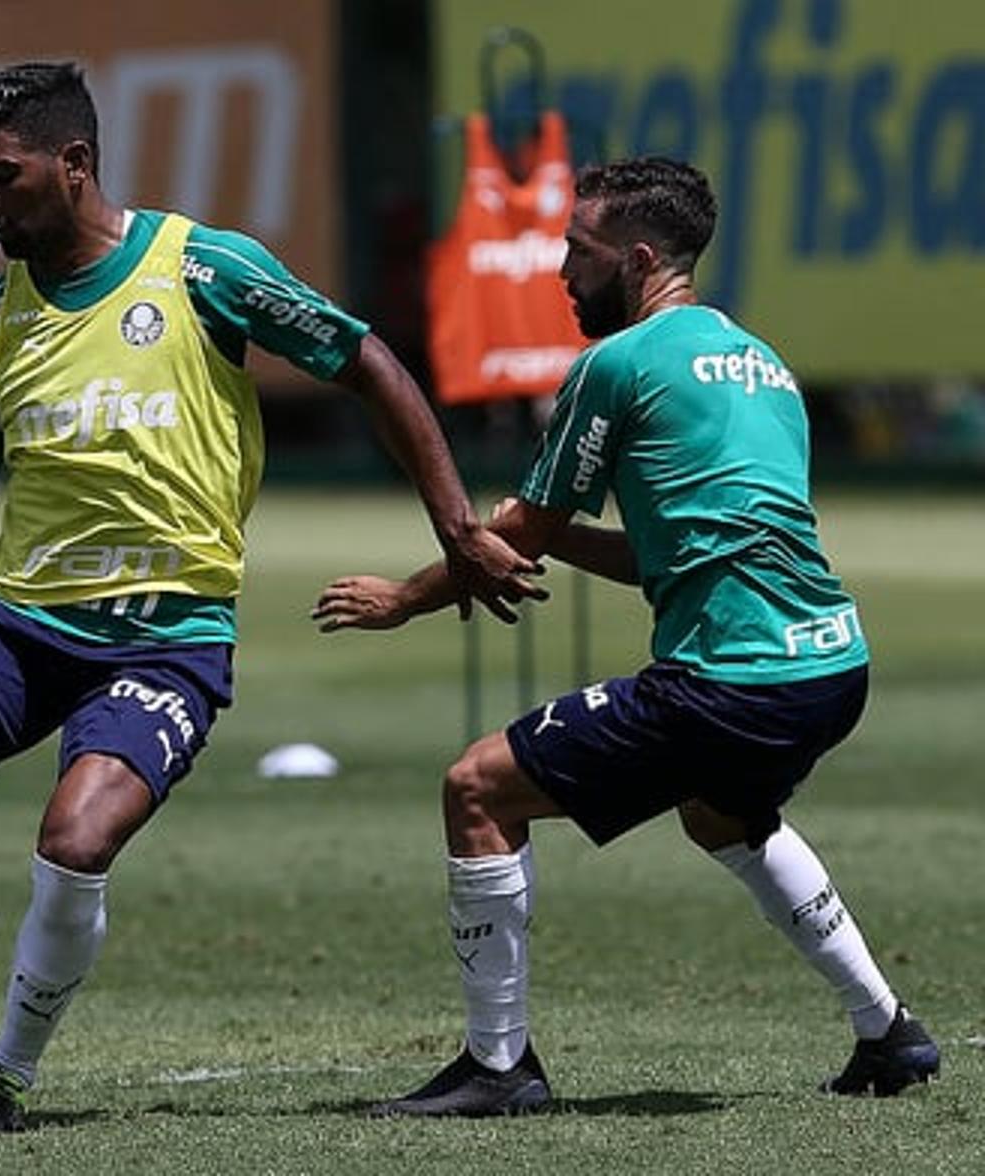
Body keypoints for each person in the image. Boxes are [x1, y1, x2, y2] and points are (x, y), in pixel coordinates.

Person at [0, 61, 540, 1133]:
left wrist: (454, 525)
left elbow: (368, 362)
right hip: (18, 624)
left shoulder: (203, 268)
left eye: (3, 176)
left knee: (75, 841)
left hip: (167, 641)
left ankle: (3, 1079)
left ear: (75, 164)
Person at [313, 156, 941, 1116]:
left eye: (579, 251)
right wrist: (546, 545)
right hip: (831, 663)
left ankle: (497, 1068)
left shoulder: (616, 365)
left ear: (640, 259)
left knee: (477, 788)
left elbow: (519, 532)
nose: (562, 271)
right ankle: (887, 1032)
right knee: (720, 815)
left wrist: (405, 596)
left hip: (732, 677)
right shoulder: (762, 363)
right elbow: (671, 551)